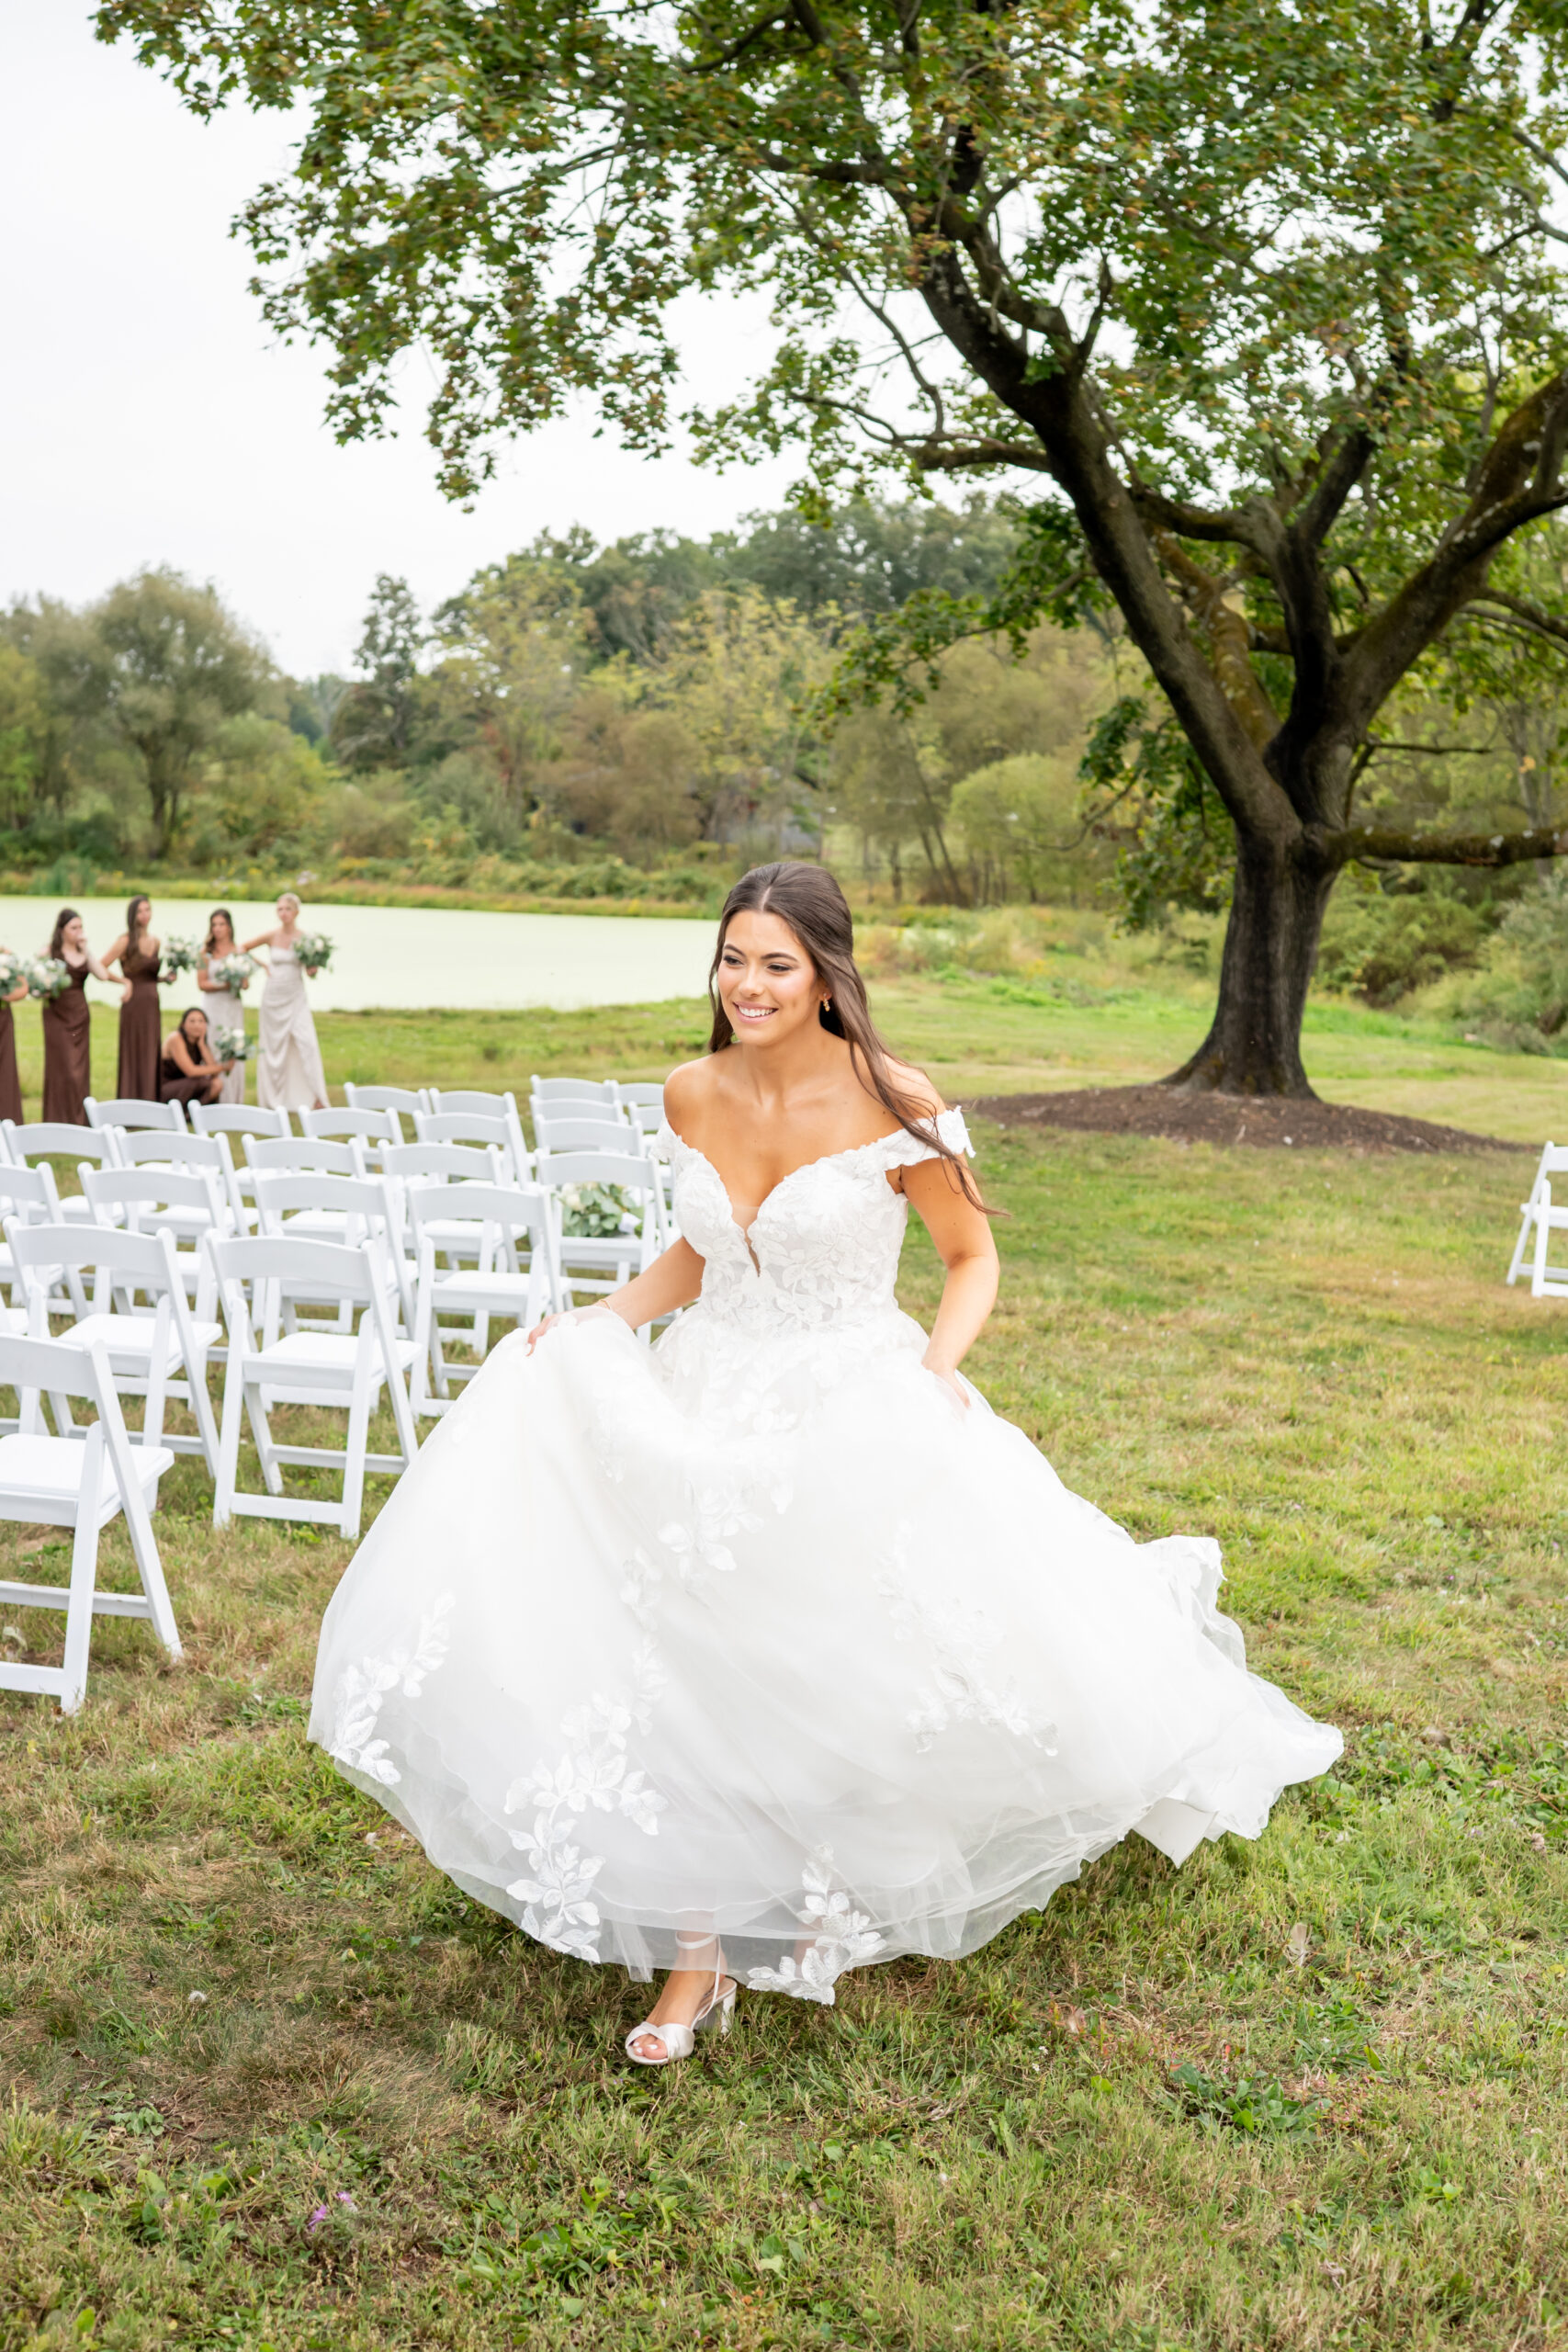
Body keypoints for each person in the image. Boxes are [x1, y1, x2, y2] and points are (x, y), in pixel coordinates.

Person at [309, 862, 1341, 2068]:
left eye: (775, 964)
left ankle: (817, 1853)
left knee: (837, 1651)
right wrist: (597, 1322)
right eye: (731, 958)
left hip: (850, 1396)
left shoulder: (895, 1099)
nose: (746, 984)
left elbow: (970, 1258)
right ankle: (699, 1945)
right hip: (705, 1387)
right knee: (679, 1653)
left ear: (825, 976)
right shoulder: (690, 1090)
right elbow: (701, 1254)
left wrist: (934, 1372)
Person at [243, 892, 327, 1113]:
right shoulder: (271, 935)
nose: (283, 913)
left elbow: (310, 971)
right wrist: (263, 965)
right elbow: (242, 948)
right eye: (280, 909)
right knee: (274, 1047)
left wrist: (313, 969)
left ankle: (316, 1096)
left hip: (295, 995)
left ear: (296, 912)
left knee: (306, 1042)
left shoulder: (306, 939)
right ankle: (274, 1098)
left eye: (287, 909)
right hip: (273, 995)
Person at [40, 909, 112, 1125]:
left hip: (79, 1016)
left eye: (81, 927)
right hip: (56, 1015)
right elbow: (37, 984)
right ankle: (57, 1118)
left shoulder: (84, 953)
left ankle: (79, 1118)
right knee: (62, 1067)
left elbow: (103, 975)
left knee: (78, 1069)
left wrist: (86, 949)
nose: (78, 931)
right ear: (61, 930)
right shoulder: (49, 952)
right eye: (74, 928)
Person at [102, 895, 165, 1101]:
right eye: (140, 911)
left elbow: (149, 976)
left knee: (150, 1049)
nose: (145, 915)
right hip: (134, 1002)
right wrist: (124, 982)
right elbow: (100, 967)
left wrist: (165, 978)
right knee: (134, 1049)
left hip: (152, 1002)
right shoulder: (125, 941)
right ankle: (131, 1098)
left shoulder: (156, 941)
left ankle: (150, 1098)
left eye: (148, 910)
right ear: (132, 915)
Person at [196, 907, 247, 1104]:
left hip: (232, 1005)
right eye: (214, 925)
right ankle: (214, 1096)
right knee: (214, 1044)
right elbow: (201, 984)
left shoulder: (239, 951)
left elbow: (245, 983)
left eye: (221, 924)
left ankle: (234, 1097)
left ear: (229, 927)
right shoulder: (204, 953)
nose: (217, 928)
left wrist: (240, 981)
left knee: (234, 1045)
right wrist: (224, 985)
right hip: (213, 1005)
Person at [159, 1007, 233, 1108]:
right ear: (183, 1024)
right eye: (192, 1021)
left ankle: (194, 1113)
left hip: (187, 1086)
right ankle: (188, 1113)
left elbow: (214, 1073)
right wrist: (223, 1067)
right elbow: (191, 1071)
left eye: (201, 1021)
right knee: (203, 1081)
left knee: (217, 1083)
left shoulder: (199, 1042)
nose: (196, 1025)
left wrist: (202, 1046)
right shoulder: (175, 1038)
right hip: (167, 1087)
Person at [0, 949, 29, 1125]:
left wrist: (6, 995)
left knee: (5, 1068)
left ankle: (8, 1119)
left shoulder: (5, 956)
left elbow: (23, 988)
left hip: (3, 1019)